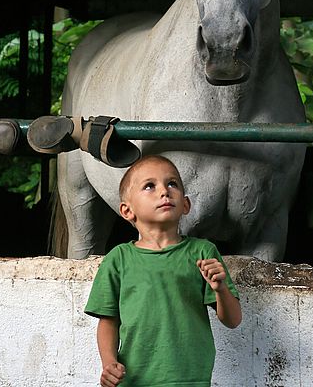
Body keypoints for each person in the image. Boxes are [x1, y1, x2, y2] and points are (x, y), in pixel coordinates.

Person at [84, 154, 242, 387]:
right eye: (150, 186)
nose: (164, 191)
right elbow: (108, 321)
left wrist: (219, 289)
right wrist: (109, 363)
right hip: (134, 379)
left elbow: (233, 320)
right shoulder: (119, 259)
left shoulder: (202, 252)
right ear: (127, 211)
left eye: (172, 184)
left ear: (186, 204)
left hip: (191, 379)